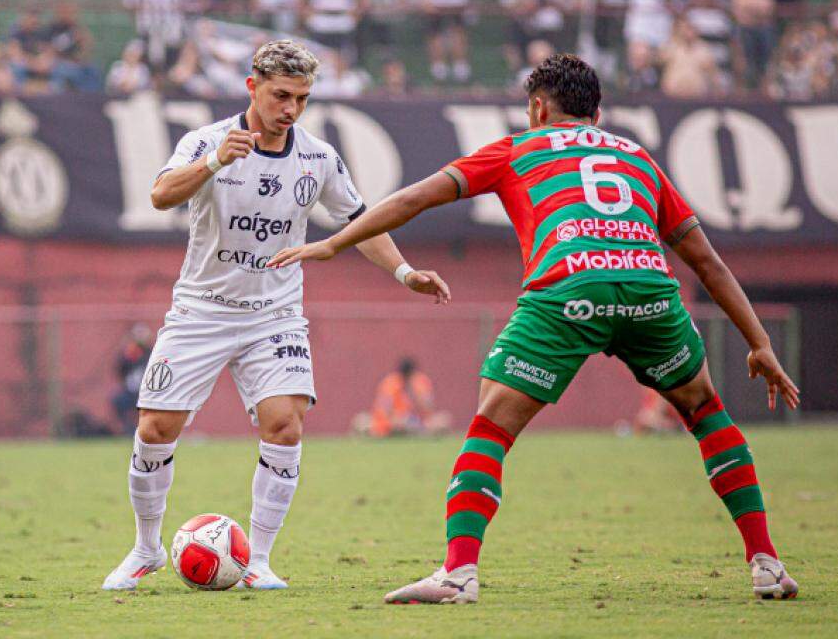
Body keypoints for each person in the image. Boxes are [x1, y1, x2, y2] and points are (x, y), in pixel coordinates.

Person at [269, 53, 801, 605]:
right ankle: (767, 564)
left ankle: (458, 573)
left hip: (570, 289)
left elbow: (414, 199)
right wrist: (759, 343)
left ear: (538, 106)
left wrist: (334, 242)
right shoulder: (637, 157)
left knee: (492, 426)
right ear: (597, 114)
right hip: (650, 293)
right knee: (705, 412)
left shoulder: (519, 148)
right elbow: (707, 262)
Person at [101, 39, 449, 593]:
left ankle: (258, 560)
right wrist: (215, 162)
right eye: (281, 95)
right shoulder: (207, 141)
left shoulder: (317, 157)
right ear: (253, 88)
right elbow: (162, 194)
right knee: (154, 427)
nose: (290, 109)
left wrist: (405, 272)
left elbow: (359, 223)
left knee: (284, 424)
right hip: (202, 309)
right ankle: (146, 549)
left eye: (302, 99)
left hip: (275, 315)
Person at [367, 357, 449, 438]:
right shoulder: (391, 384)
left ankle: (420, 432)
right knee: (402, 423)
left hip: (418, 420)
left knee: (443, 420)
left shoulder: (420, 383)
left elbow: (429, 407)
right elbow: (384, 409)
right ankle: (420, 433)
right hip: (397, 420)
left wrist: (414, 394)